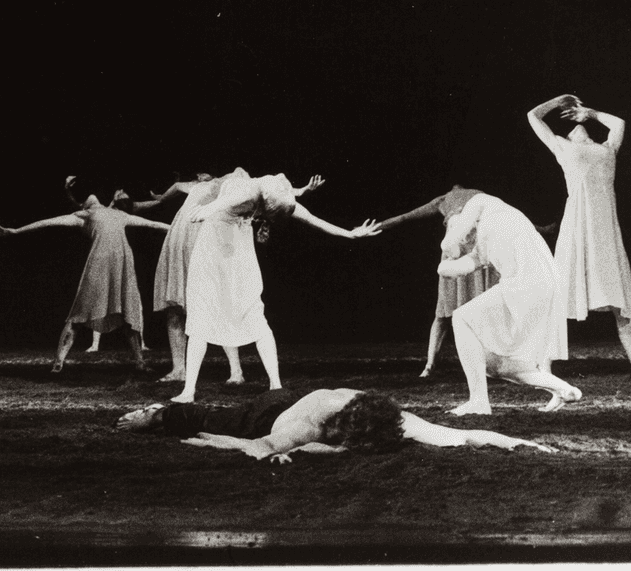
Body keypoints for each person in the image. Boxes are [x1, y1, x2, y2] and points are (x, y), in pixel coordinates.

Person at [174, 171, 381, 404]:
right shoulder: (246, 192)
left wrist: (350, 234)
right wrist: (204, 211)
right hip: (215, 249)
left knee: (252, 312)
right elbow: (220, 203)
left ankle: (276, 385)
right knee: (203, 314)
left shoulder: (277, 193)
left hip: (237, 249)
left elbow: (311, 218)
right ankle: (189, 390)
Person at [527, 94, 631, 387]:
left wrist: (589, 113)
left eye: (581, 126)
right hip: (576, 227)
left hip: (605, 231)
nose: (576, 128)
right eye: (572, 129)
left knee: (620, 303)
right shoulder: (562, 148)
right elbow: (533, 116)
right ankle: (544, 367)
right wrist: (558, 101)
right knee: (558, 298)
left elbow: (619, 123)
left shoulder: (607, 150)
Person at [0, 176, 171, 372]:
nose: (91, 196)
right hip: (99, 265)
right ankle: (58, 362)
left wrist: (178, 229)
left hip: (123, 266)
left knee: (129, 312)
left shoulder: (119, 214)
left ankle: (140, 363)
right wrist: (17, 231)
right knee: (79, 313)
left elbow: (154, 224)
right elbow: (48, 222)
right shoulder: (83, 216)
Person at [116, 386, 554, 462]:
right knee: (209, 419)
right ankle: (155, 412)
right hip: (269, 415)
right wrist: (212, 442)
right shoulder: (308, 423)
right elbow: (258, 447)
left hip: (306, 406)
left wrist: (519, 443)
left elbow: (463, 436)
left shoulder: (394, 418)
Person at [435, 190, 582, 414]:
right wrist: (445, 265)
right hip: (537, 287)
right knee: (494, 363)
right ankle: (563, 389)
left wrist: (450, 246)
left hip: (529, 283)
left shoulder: (485, 204)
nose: (462, 236)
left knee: (461, 318)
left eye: (455, 225)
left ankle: (478, 402)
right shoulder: (481, 248)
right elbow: (455, 267)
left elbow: (449, 243)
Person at [375, 185, 500, 377]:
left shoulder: (449, 199)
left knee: (446, 313)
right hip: (466, 249)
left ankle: (432, 365)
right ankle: (432, 365)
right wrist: (542, 229)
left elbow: (404, 217)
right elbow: (511, 217)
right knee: (451, 310)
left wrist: (375, 227)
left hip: (470, 249)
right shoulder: (470, 197)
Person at [145, 173, 246, 385]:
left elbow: (243, 177)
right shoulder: (193, 187)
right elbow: (174, 187)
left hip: (202, 242)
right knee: (174, 308)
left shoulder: (223, 185)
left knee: (217, 305)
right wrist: (158, 198)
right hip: (179, 242)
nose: (201, 175)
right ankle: (179, 369)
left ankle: (236, 370)